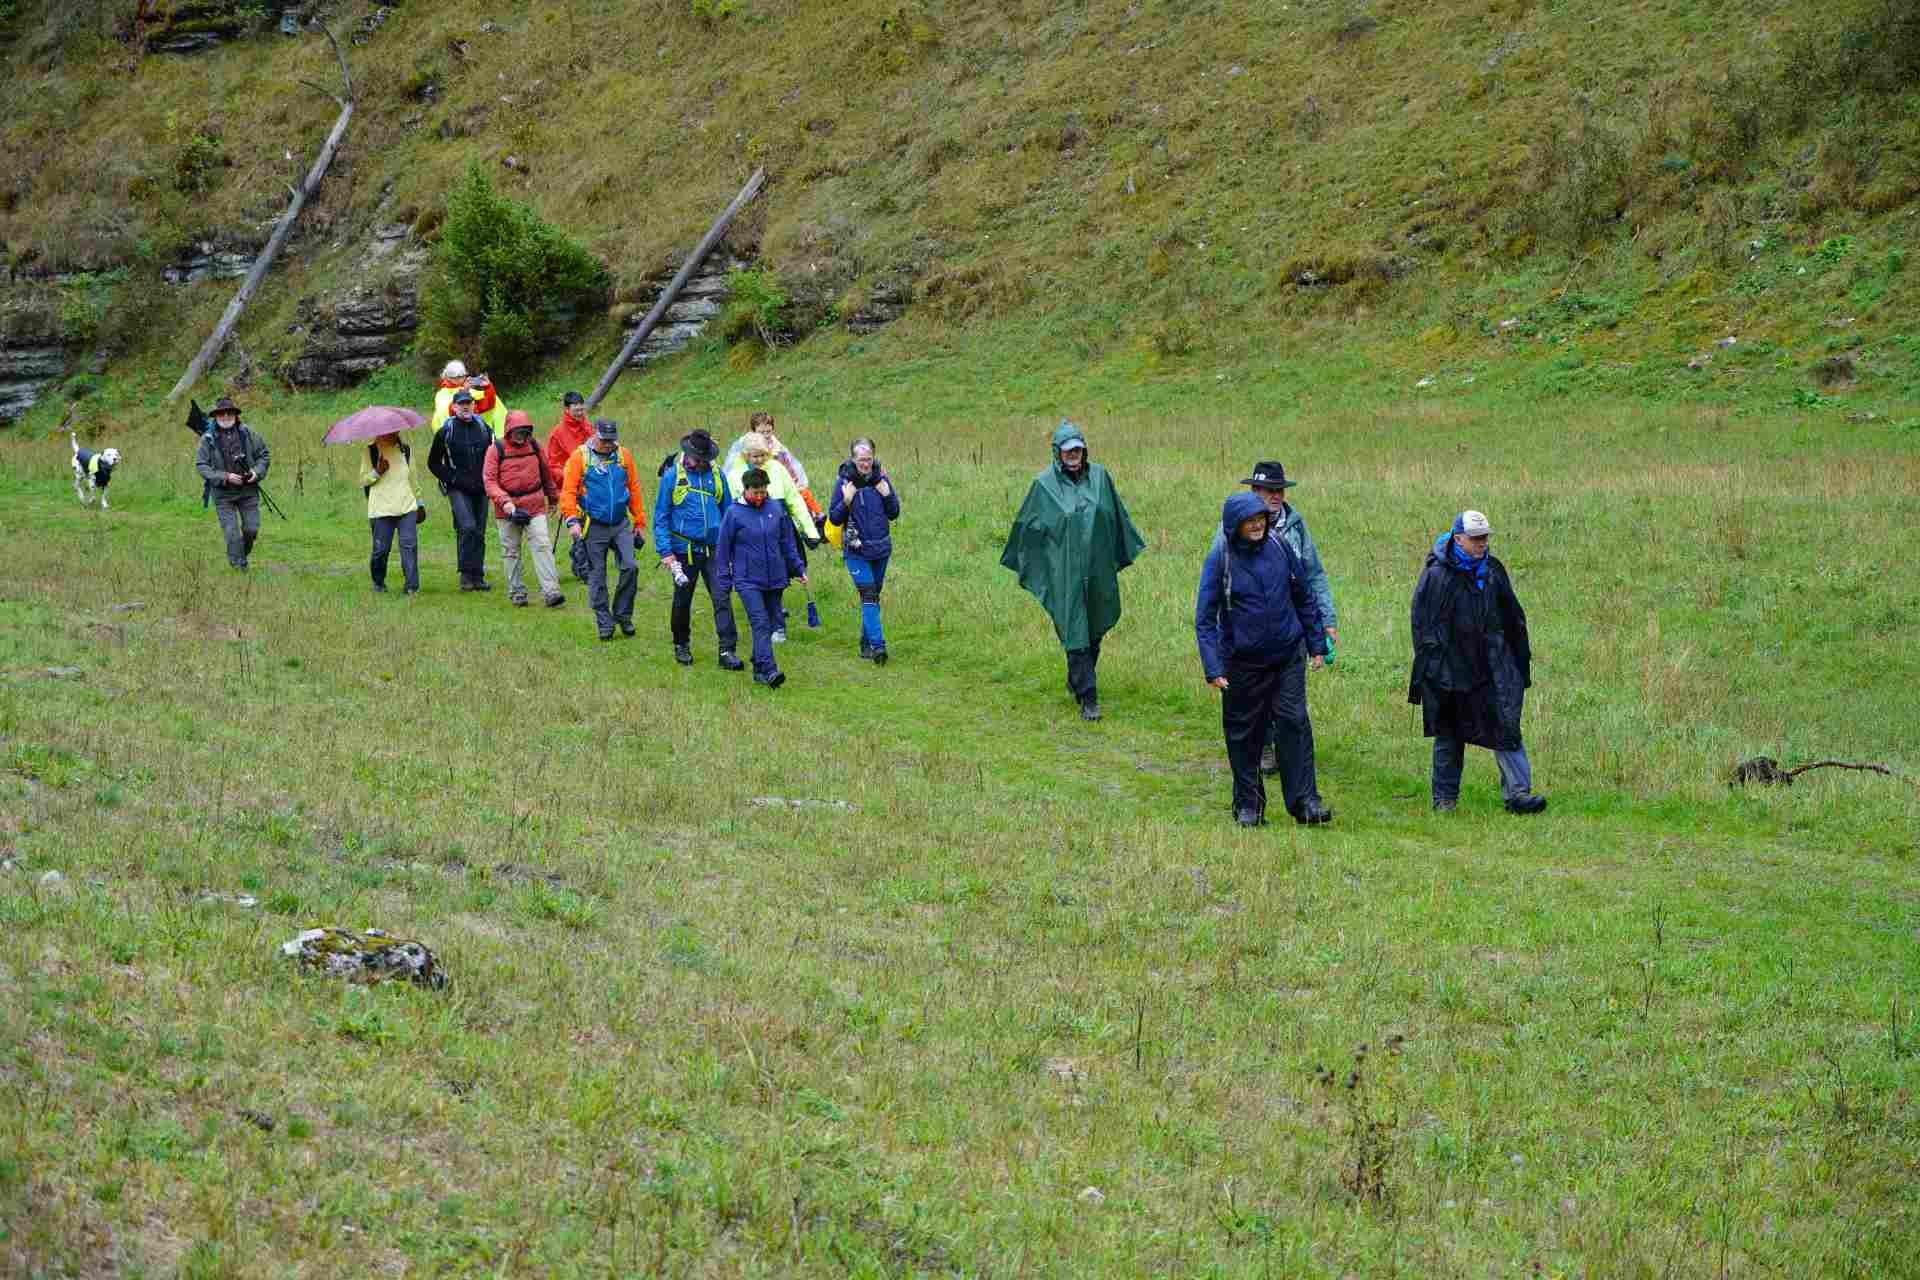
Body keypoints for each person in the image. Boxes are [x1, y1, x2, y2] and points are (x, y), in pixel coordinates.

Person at [1196, 492, 1332, 827]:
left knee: (1294, 723)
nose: (1257, 525)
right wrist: (1213, 667)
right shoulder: (1220, 559)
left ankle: (1305, 803)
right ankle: (1248, 806)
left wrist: (1316, 642)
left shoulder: (1280, 546)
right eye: (1250, 521)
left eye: (1261, 519)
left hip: (1287, 655)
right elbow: (1204, 618)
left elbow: (1303, 595)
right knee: (1244, 733)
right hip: (1241, 664)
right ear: (1235, 525)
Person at [1000, 420, 1145, 721]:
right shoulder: (1044, 486)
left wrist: (1118, 552)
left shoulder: (1101, 477)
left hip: (1097, 568)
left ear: (1085, 450)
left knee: (1094, 627)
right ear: (1057, 453)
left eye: (1078, 449)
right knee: (1074, 628)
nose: (1074, 455)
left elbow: (1116, 515)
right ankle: (1089, 698)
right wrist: (1037, 564)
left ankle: (1077, 677)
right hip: (1063, 572)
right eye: (1068, 451)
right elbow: (1028, 526)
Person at [1408, 510, 1547, 814]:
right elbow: (1422, 625)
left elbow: (1513, 617)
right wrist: (1433, 670)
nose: (1482, 543)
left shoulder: (1494, 571)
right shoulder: (1437, 576)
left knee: (1506, 724)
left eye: (1485, 537)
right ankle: (1445, 799)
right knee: (1450, 730)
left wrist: (1518, 662)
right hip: (1452, 667)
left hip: (1494, 664)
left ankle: (1518, 794)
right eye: (1476, 538)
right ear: (1458, 538)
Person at [1213, 461, 1340, 777]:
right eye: (1268, 490)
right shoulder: (1230, 529)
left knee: (1289, 699)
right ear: (1254, 491)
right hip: (1249, 630)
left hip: (1291, 627)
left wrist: (1325, 619)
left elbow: (1314, 574)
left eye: (1279, 490)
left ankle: (1291, 754)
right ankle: (1264, 747)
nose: (1274, 496)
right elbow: (1219, 581)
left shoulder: (1296, 526)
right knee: (1257, 698)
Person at [653, 428, 743, 669]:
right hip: (683, 550)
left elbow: (728, 513)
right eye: (698, 458)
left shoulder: (717, 475)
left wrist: (732, 547)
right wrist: (666, 552)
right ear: (688, 453)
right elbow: (661, 516)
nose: (701, 463)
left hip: (714, 548)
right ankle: (681, 644)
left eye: (705, 459)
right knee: (683, 599)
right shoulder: (673, 476)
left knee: (722, 597)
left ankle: (727, 651)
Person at [725, 426, 819, 642]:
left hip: (777, 527)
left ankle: (776, 620)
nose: (758, 460)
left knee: (779, 573)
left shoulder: (777, 469)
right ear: (745, 455)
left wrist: (810, 530)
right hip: (748, 533)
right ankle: (762, 618)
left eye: (761, 455)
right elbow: (729, 510)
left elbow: (794, 499)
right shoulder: (734, 475)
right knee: (755, 575)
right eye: (753, 456)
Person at [716, 466, 807, 688]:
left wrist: (798, 568)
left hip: (775, 577)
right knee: (761, 623)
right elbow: (723, 549)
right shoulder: (734, 513)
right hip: (747, 580)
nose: (759, 496)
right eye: (755, 492)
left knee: (771, 622)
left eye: (763, 491)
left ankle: (758, 667)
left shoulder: (776, 508)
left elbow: (787, 543)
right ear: (745, 490)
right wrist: (724, 579)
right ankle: (769, 669)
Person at [560, 420, 647, 641]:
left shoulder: (623, 456)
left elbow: (634, 487)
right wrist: (572, 520)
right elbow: (568, 491)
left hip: (620, 524)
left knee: (630, 567)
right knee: (597, 576)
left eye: (612, 440)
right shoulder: (580, 457)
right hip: (593, 525)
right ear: (595, 436)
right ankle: (604, 622)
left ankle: (623, 614)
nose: (610, 445)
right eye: (605, 440)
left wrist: (639, 521)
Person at [827, 437, 900, 664]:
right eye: (861, 460)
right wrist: (846, 501)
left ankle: (865, 643)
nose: (865, 464)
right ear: (852, 459)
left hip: (881, 549)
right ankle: (878, 647)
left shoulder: (882, 479)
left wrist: (887, 494)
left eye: (868, 459)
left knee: (872, 598)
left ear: (873, 458)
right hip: (856, 552)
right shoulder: (843, 483)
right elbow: (834, 517)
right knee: (869, 596)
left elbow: (894, 513)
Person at [482, 409, 565, 609]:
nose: (521, 435)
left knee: (542, 545)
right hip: (507, 509)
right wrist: (507, 504)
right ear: (509, 430)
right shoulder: (495, 450)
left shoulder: (535, 446)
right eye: (518, 431)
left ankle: (551, 592)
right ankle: (517, 592)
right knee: (511, 551)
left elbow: (546, 473)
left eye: (525, 431)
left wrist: (553, 498)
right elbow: (489, 481)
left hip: (535, 505)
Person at [426, 389, 495, 591]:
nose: (466, 406)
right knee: (467, 527)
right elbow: (433, 463)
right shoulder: (445, 432)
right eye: (461, 404)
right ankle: (466, 576)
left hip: (482, 488)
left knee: (479, 531)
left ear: (474, 405)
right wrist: (453, 478)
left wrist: (490, 480)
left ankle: (478, 576)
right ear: (454, 407)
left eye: (469, 403)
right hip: (458, 488)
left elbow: (494, 457)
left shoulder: (484, 429)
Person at [192, 396, 271, 570]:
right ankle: (240, 567)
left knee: (251, 529)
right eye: (221, 414)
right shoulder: (207, 439)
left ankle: (238, 555)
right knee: (232, 533)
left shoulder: (249, 434)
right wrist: (225, 476)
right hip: (223, 495)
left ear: (235, 415)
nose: (226, 416)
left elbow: (263, 456)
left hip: (248, 491)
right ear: (215, 416)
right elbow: (202, 465)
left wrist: (256, 472)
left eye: (229, 413)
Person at [360, 431, 423, 595]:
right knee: (381, 550)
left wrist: (420, 503)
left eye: (394, 430)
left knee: (409, 546)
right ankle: (379, 583)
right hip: (380, 509)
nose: (390, 433)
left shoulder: (406, 450)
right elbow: (363, 480)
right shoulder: (370, 451)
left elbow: (413, 478)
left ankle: (411, 586)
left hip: (406, 506)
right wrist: (377, 471)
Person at [546, 391, 595, 583]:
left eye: (582, 408)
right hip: (570, 489)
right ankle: (584, 569)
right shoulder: (557, 433)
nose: (579, 412)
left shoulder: (589, 428)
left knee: (593, 527)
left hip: (591, 487)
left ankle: (582, 564)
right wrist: (569, 476)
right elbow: (552, 465)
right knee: (580, 527)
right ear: (567, 409)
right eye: (576, 409)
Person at [432, 363, 506, 438]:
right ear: (448, 378)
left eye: (462, 376)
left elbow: (488, 404)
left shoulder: (470, 392)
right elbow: (453, 411)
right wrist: (465, 391)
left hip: (472, 433)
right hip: (456, 436)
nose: (460, 379)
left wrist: (488, 387)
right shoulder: (443, 395)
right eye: (457, 377)